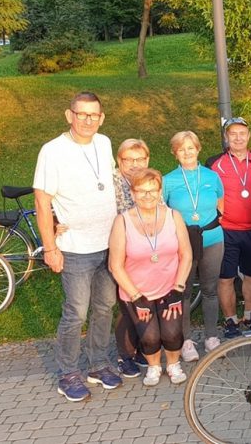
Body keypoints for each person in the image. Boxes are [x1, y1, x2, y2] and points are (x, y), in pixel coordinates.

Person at [33, 91, 122, 402]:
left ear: (102, 118)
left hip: (108, 244)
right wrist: (50, 247)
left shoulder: (104, 143)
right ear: (69, 115)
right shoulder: (52, 151)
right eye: (81, 114)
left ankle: (98, 364)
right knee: (76, 313)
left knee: (105, 307)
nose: (87, 120)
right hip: (75, 248)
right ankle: (68, 372)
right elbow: (42, 201)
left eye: (93, 115)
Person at [108, 168, 193, 386]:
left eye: (153, 190)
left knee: (172, 333)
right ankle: (154, 366)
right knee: (149, 336)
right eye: (142, 191)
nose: (148, 196)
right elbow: (115, 265)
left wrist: (178, 289)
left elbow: (186, 255)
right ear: (133, 193)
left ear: (160, 191)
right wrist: (137, 297)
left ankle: (173, 364)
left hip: (169, 288)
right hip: (137, 292)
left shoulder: (173, 216)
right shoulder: (122, 221)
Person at [205, 117, 251, 338]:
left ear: (249, 135)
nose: (238, 138)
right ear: (226, 137)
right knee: (226, 277)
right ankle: (231, 320)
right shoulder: (214, 164)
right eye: (233, 134)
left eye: (242, 133)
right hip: (226, 229)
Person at [163, 131, 225, 360]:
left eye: (191, 147)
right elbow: (163, 211)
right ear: (175, 153)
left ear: (198, 149)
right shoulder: (168, 180)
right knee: (184, 290)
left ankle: (211, 337)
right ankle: (186, 341)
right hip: (183, 243)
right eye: (181, 149)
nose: (187, 152)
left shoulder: (212, 176)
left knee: (210, 289)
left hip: (212, 239)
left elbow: (221, 205)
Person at [111, 139, 151, 377]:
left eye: (140, 159)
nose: (135, 164)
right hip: (122, 251)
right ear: (119, 161)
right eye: (129, 160)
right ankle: (124, 355)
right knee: (127, 304)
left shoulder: (150, 180)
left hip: (147, 252)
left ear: (147, 160)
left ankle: (143, 349)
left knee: (147, 301)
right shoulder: (110, 183)